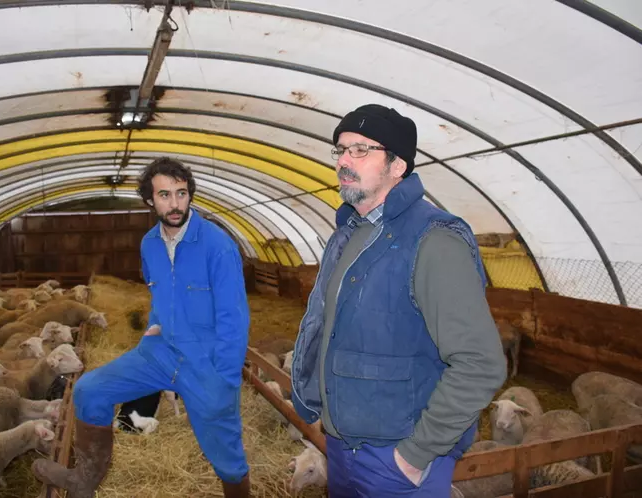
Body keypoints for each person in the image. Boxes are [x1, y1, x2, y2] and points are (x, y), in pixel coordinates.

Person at [290, 104, 507, 497]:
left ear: (397, 166)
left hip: (396, 460)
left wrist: (414, 455)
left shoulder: (434, 241)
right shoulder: (347, 235)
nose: (344, 161)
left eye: (361, 150)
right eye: (340, 150)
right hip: (342, 447)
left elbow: (480, 363)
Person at [32, 157, 252, 498]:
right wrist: (154, 325)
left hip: (203, 363)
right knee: (89, 390)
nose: (175, 203)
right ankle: (85, 479)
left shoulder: (217, 246)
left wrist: (224, 379)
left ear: (190, 195)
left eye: (181, 193)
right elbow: (159, 292)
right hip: (160, 351)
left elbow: (234, 320)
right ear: (150, 200)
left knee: (225, 454)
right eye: (164, 195)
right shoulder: (149, 243)